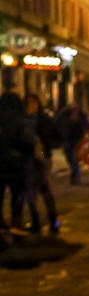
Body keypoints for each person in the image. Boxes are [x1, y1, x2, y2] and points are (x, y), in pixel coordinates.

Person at [20, 93, 61, 235]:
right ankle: (35, 220)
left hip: (42, 155)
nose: (30, 106)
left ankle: (53, 218)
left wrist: (45, 146)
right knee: (30, 189)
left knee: (44, 186)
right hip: (28, 157)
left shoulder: (43, 119)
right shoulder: (22, 120)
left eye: (33, 102)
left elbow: (56, 136)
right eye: (27, 103)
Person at [0, 91, 35, 240]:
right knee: (17, 195)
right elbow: (27, 142)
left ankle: (1, 224)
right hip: (17, 164)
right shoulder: (21, 120)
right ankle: (16, 223)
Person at [54, 102, 89, 184]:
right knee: (69, 157)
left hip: (77, 140)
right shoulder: (64, 116)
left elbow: (87, 126)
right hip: (66, 139)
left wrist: (79, 123)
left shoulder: (81, 116)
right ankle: (75, 175)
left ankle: (75, 177)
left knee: (74, 158)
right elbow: (58, 125)